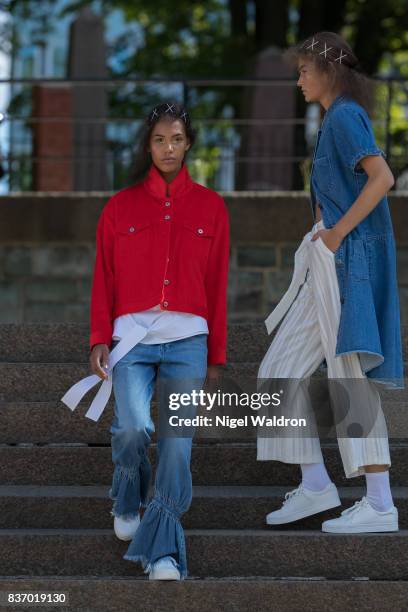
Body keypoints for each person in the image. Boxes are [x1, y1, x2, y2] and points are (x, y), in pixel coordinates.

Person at [257, 31, 403, 533]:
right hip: (327, 259)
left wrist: (338, 232)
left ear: (327, 71)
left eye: (303, 71)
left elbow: (383, 177)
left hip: (342, 265)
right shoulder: (333, 120)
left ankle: (380, 503)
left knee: (348, 381)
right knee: (280, 370)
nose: (298, 79)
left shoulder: (344, 117)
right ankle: (317, 485)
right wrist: (325, 228)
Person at [88, 102, 229, 579]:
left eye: (176, 139)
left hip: (189, 341)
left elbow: (218, 285)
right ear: (147, 146)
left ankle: (164, 552)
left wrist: (216, 356)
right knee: (131, 428)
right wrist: (97, 338)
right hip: (132, 340)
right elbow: (102, 279)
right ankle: (127, 496)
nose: (168, 148)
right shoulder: (119, 207)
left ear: (188, 143)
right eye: (158, 140)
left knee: (176, 444)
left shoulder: (212, 207)